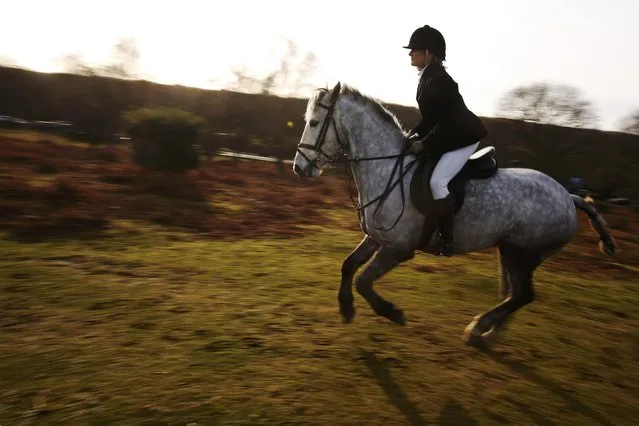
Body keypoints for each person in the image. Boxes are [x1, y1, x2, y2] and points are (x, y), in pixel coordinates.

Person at [403, 25, 488, 256]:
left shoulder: (440, 80)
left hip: (463, 138)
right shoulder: (427, 78)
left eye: (415, 50)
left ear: (429, 53)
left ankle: (447, 240)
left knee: (437, 182)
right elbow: (430, 120)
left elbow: (446, 125)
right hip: (449, 135)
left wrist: (424, 144)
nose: (410, 53)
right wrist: (411, 134)